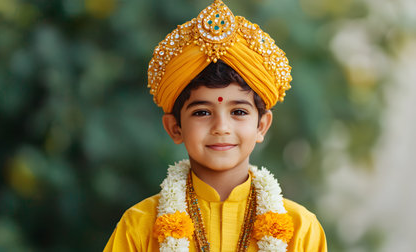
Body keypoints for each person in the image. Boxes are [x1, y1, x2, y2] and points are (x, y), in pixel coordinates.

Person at [104, 0, 327, 251]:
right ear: (175, 128)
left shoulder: (299, 229)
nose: (221, 127)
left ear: (262, 126)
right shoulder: (140, 226)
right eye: (202, 112)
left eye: (239, 111)